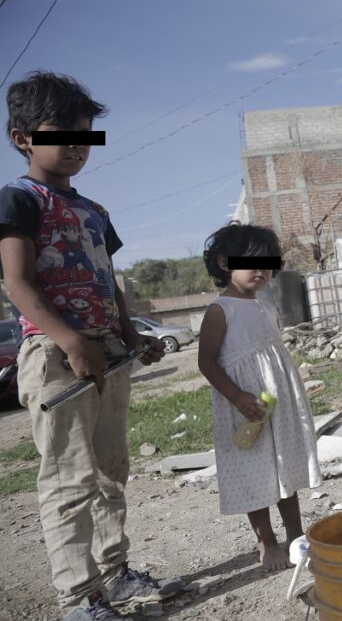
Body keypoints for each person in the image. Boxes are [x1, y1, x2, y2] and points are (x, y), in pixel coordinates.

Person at [0, 71, 170, 621]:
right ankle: (79, 597)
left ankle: (114, 574)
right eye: (63, 134)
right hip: (57, 355)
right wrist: (72, 342)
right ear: (22, 138)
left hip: (106, 351)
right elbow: (17, 283)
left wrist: (132, 337)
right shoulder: (19, 199)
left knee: (110, 469)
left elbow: (110, 282)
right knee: (69, 478)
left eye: (86, 135)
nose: (78, 145)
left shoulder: (95, 211)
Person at [197, 223, 321, 571]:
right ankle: (266, 541)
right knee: (255, 472)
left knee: (283, 465)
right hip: (244, 407)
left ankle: (295, 535)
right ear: (225, 263)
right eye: (251, 262)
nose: (262, 270)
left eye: (268, 263)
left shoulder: (266, 308)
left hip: (275, 404)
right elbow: (206, 362)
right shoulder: (220, 310)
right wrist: (237, 396)